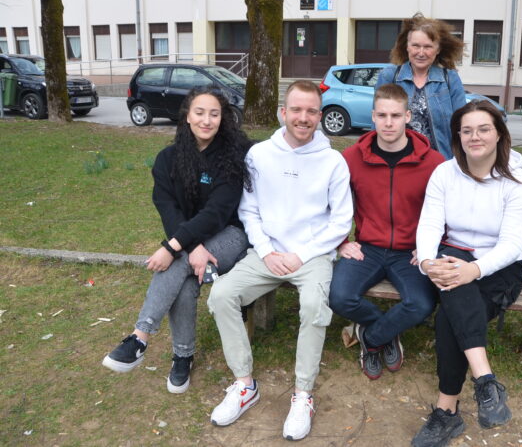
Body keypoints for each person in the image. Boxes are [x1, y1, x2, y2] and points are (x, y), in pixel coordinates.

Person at [206, 80, 353, 441]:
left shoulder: (333, 161)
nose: (303, 118)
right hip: (266, 253)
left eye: (311, 111)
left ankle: (303, 393)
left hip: (313, 254)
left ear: (320, 116)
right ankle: (244, 384)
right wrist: (268, 252)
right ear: (282, 112)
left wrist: (300, 255)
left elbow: (340, 221)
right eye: (296, 110)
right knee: (221, 295)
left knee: (314, 304)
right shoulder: (259, 155)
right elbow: (249, 210)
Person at [102, 87, 253, 394]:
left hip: (231, 235)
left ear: (223, 119)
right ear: (187, 116)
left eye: (214, 114)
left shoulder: (232, 156)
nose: (207, 120)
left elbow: (217, 213)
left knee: (176, 263)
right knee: (184, 282)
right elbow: (167, 208)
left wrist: (174, 247)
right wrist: (190, 247)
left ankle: (140, 336)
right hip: (188, 240)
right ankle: (182, 357)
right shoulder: (168, 159)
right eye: (200, 112)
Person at [412, 100, 522, 447]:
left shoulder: (516, 181)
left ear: (498, 134)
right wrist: (427, 263)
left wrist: (474, 270)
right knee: (453, 280)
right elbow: (430, 223)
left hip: (501, 268)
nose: (474, 136)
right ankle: (485, 382)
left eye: (483, 129)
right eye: (466, 130)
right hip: (454, 259)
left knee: (450, 315)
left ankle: (446, 412)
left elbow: (511, 245)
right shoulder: (444, 174)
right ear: (457, 137)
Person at [329, 83, 444, 380]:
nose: (389, 122)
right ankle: (386, 331)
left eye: (395, 115)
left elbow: (448, 212)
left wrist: (431, 247)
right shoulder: (352, 157)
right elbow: (331, 203)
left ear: (407, 116)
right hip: (367, 247)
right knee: (339, 297)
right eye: (382, 115)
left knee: (421, 304)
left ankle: (371, 338)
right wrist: (342, 242)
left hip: (410, 252)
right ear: (373, 117)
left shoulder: (432, 162)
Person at [375, 13, 466, 160]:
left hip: (440, 164)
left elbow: (463, 125)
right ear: (407, 47)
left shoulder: (450, 79)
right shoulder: (389, 76)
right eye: (416, 46)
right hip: (400, 162)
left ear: (438, 49)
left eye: (428, 47)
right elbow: (377, 123)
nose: (421, 53)